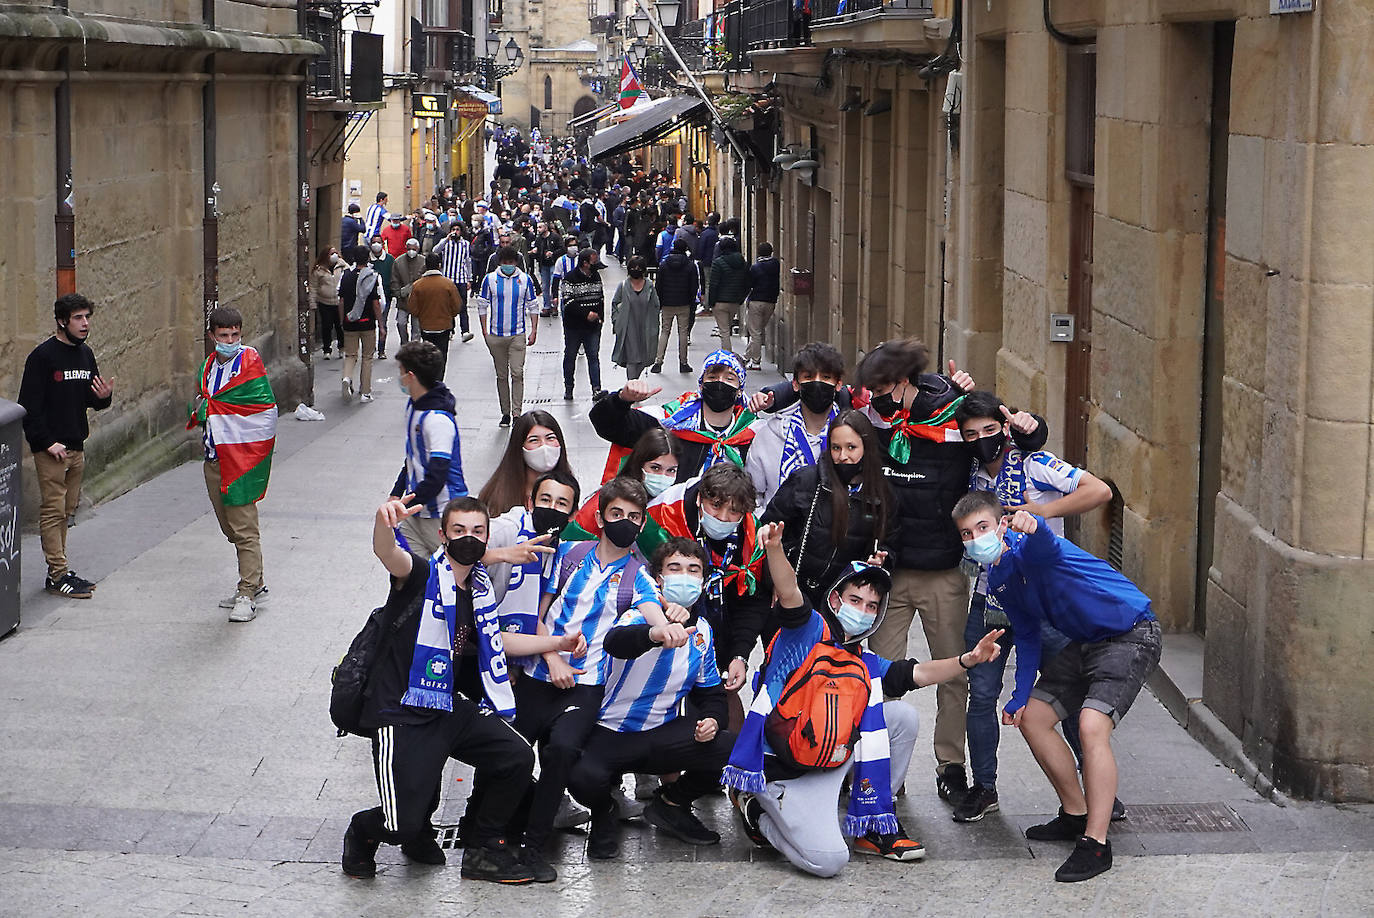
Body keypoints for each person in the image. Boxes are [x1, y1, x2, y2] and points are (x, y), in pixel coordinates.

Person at [724, 521, 1004, 877]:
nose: (863, 610)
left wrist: (968, 659)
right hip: (785, 768)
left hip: (831, 760)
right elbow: (790, 590)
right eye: (855, 600)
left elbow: (916, 673)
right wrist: (776, 549)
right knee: (828, 862)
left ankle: (873, 826)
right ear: (836, 598)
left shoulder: (865, 660)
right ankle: (757, 811)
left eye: (872, 605)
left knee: (902, 716)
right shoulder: (807, 629)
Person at [854, 339, 1046, 806]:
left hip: (943, 572)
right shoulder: (873, 417)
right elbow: (822, 401)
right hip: (891, 574)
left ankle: (950, 767)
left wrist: (1034, 426)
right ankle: (881, 768)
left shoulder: (952, 412)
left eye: (882, 388)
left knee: (955, 675)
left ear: (904, 381)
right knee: (882, 676)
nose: (874, 397)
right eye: (869, 390)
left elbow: (1010, 431)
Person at [952, 494, 1159, 883]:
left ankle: (1096, 844)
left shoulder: (1030, 546)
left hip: (1131, 632)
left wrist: (1036, 524)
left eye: (983, 527)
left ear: (1001, 523)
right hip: (1086, 643)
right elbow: (1027, 635)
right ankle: (1074, 815)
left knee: (1091, 726)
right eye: (966, 533)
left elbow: (1045, 545)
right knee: (1032, 718)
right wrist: (1017, 696)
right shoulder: (999, 576)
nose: (975, 538)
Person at [341, 496, 537, 884]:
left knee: (515, 755)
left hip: (447, 706)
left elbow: (493, 632)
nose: (469, 538)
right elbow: (389, 553)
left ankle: (484, 849)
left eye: (477, 531)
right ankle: (363, 830)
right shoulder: (421, 576)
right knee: (400, 826)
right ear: (443, 534)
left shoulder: (477, 589)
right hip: (401, 713)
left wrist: (559, 644)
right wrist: (385, 523)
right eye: (459, 530)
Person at [952, 391, 1114, 824]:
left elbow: (1097, 490)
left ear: (1004, 429)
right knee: (982, 696)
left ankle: (1096, 790)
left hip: (1046, 605)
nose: (982, 440)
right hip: (990, 597)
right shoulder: (968, 473)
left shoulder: (1033, 462)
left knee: (1071, 697)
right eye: (972, 434)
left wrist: (1041, 511)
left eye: (989, 431)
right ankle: (983, 787)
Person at [511, 477, 673, 882]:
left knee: (561, 751)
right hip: (537, 671)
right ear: (600, 517)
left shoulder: (637, 575)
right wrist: (550, 656)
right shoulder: (567, 555)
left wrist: (667, 627)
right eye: (616, 514)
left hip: (586, 684)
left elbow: (654, 609)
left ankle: (534, 845)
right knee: (509, 750)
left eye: (634, 517)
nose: (624, 522)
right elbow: (537, 610)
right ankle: (485, 833)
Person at [568, 537, 734, 858]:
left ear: (702, 581)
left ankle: (671, 805)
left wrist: (713, 720)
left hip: (663, 735)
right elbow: (617, 642)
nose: (684, 576)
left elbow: (712, 693)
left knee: (732, 748)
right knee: (581, 778)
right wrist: (655, 633)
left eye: (693, 570)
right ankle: (605, 810)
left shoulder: (702, 633)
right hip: (610, 733)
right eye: (675, 568)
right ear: (658, 578)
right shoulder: (636, 615)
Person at [17, 292, 114, 599]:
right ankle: (58, 573)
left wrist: (103, 397)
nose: (85, 324)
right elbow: (28, 409)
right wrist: (47, 443)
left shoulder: (86, 355)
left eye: (87, 317)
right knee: (53, 510)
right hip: (52, 450)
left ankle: (56, 573)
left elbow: (89, 399)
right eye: (78, 318)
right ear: (62, 321)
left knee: (67, 510)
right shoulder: (42, 358)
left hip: (76, 445)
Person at [188, 307, 277, 623]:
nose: (230, 340)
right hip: (213, 457)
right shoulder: (208, 366)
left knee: (243, 527)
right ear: (212, 336)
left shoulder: (249, 363)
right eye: (224, 335)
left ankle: (247, 591)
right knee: (230, 528)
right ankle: (258, 580)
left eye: (235, 335)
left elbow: (263, 409)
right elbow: (205, 402)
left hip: (240, 461)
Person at [761, 409, 892, 612]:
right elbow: (769, 530)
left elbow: (890, 543)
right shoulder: (806, 481)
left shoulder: (882, 495)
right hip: (791, 593)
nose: (843, 456)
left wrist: (881, 559)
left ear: (867, 448)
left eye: (851, 447)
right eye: (835, 448)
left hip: (841, 604)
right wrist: (776, 580)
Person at [590, 350, 756, 486]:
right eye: (712, 377)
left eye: (729, 378)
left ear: (740, 389)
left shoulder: (752, 433)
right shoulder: (669, 423)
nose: (720, 383)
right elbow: (607, 425)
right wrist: (621, 399)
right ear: (701, 384)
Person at [389, 341, 467, 557]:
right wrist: (396, 493)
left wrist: (406, 504)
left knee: (449, 578)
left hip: (442, 515)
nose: (400, 378)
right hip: (417, 513)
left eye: (401, 371)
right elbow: (412, 458)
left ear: (411, 376)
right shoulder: (413, 406)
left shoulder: (437, 420)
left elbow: (437, 475)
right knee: (412, 577)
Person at [744, 342, 844, 507]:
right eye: (808, 377)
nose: (817, 383)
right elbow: (753, 494)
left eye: (826, 377)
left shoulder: (852, 436)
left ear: (838, 385)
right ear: (796, 384)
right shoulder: (768, 435)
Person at [475, 246, 541, 427]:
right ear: (499, 263)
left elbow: (533, 305)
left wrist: (533, 330)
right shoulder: (490, 279)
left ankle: (516, 413)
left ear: (516, 263)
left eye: (511, 263)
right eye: (505, 263)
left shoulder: (525, 280)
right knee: (501, 375)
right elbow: (482, 304)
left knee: (517, 373)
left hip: (517, 334)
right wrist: (484, 331)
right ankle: (505, 412)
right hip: (496, 336)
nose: (508, 266)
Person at [477, 410, 577, 518]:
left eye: (550, 438)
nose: (544, 446)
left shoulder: (569, 487)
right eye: (534, 440)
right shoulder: (497, 496)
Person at [558, 248, 605, 401]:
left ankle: (596, 388)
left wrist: (600, 318)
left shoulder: (596, 276)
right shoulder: (570, 278)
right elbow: (568, 302)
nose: (596, 263)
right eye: (594, 261)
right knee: (570, 356)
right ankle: (569, 387)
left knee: (593, 357)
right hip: (573, 327)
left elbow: (600, 298)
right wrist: (586, 314)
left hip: (592, 328)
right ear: (585, 263)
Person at [336, 246, 381, 403]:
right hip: (367, 322)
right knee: (367, 357)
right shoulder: (371, 276)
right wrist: (381, 324)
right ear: (368, 258)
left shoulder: (346, 275)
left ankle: (347, 378)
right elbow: (376, 303)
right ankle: (365, 392)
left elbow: (341, 301)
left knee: (350, 354)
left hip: (350, 322)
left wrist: (342, 320)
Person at [407, 253, 463, 375]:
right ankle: (439, 381)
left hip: (426, 327)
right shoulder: (448, 284)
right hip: (444, 327)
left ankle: (429, 380)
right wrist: (448, 316)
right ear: (439, 265)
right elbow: (457, 306)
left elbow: (412, 308)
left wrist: (422, 315)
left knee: (428, 357)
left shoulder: (418, 285)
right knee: (442, 356)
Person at [651, 239, 698, 374]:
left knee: (665, 331)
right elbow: (694, 286)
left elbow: (658, 285)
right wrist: (690, 301)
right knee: (683, 332)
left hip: (667, 303)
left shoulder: (664, 265)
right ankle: (683, 363)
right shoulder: (690, 266)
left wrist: (659, 301)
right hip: (683, 302)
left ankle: (658, 362)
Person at [610, 255, 660, 382]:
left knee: (645, 358)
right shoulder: (623, 286)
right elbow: (615, 304)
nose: (636, 270)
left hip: (646, 328)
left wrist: (655, 325)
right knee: (632, 359)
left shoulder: (649, 287)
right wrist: (617, 323)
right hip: (628, 328)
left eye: (638, 268)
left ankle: (634, 382)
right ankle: (632, 385)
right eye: (633, 267)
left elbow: (656, 305)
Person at [707, 236, 752, 355]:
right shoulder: (743, 263)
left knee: (724, 331)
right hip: (734, 301)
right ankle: (728, 354)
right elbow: (747, 283)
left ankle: (727, 355)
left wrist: (711, 302)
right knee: (727, 327)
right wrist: (741, 298)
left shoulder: (718, 262)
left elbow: (713, 284)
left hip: (720, 301)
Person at [432, 225, 475, 344]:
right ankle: (450, 329)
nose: (455, 232)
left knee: (462, 306)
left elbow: (468, 261)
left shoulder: (465, 244)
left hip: (461, 278)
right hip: (447, 278)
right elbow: (435, 251)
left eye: (457, 230)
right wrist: (446, 239)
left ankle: (465, 331)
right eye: (453, 230)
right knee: (448, 306)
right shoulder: (445, 243)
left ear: (461, 232)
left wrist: (469, 279)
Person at [744, 243, 781, 370]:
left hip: (756, 301)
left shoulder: (755, 268)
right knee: (758, 331)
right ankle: (746, 356)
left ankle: (755, 362)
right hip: (770, 301)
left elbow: (749, 284)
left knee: (755, 333)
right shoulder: (776, 265)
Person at [310, 247, 344, 359]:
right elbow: (313, 287)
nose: (334, 255)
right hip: (325, 302)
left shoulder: (343, 266)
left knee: (340, 326)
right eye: (331, 253)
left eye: (335, 253)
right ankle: (327, 349)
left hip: (339, 302)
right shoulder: (319, 270)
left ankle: (342, 347)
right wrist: (313, 302)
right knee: (327, 326)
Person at [390, 237, 425, 345]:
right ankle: (404, 343)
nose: (411, 251)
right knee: (401, 323)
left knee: (417, 327)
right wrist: (399, 292)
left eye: (414, 249)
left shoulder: (423, 261)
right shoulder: (398, 262)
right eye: (409, 249)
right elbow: (394, 279)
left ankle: (414, 348)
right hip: (403, 301)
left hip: (418, 302)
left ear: (418, 249)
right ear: (406, 248)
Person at [369, 236, 395, 360]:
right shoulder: (368, 259)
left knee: (382, 322)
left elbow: (394, 277)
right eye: (373, 242)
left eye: (378, 242)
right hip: (369, 297)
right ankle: (370, 347)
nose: (376, 245)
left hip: (385, 296)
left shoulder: (390, 260)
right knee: (370, 323)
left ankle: (381, 349)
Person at [548, 236, 578, 318]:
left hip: (580, 296)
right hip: (565, 296)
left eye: (575, 245)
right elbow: (556, 279)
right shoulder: (561, 261)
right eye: (570, 246)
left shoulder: (581, 259)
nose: (573, 248)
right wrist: (555, 296)